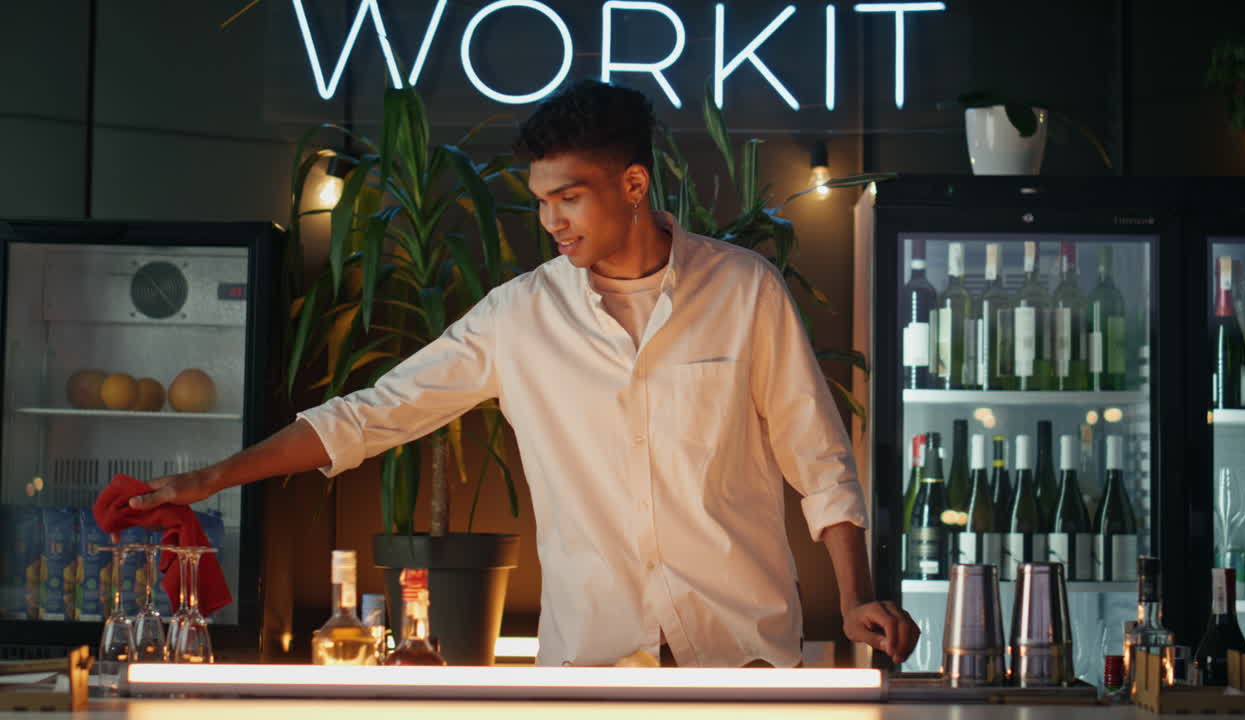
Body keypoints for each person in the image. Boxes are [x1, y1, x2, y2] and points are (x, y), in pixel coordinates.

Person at [129, 79, 919, 669]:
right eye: (541, 202)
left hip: (742, 656)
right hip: (592, 665)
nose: (551, 223)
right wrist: (213, 478)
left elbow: (818, 457)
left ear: (634, 184)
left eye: (568, 198)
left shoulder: (745, 291)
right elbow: (373, 413)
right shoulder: (519, 316)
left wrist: (855, 598)